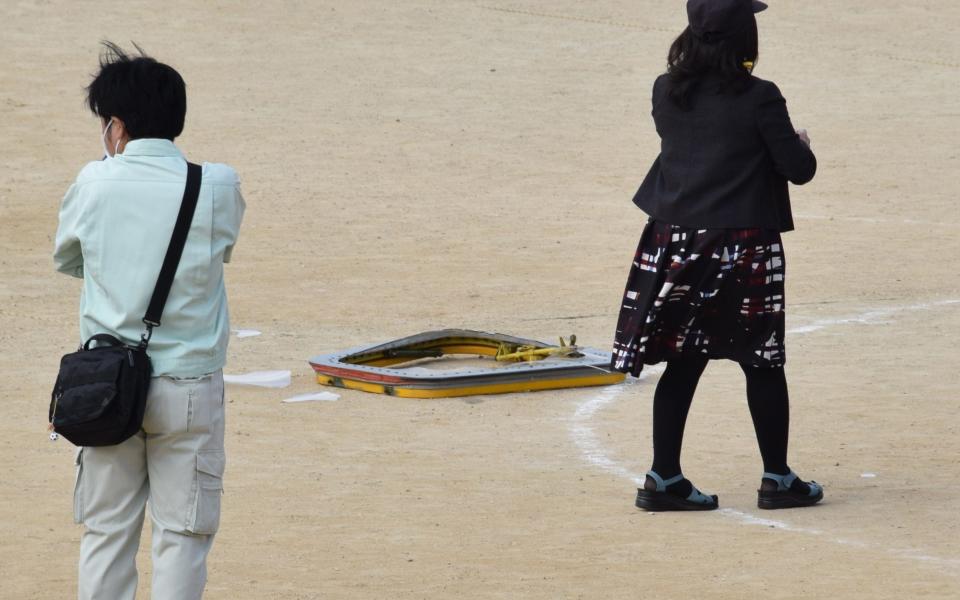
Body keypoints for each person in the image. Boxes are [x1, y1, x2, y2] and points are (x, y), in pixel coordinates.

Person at [610, 0, 823, 511]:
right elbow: (799, 169)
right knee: (762, 361)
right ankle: (777, 478)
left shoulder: (667, 90)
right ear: (744, 37)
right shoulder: (760, 97)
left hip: (676, 241)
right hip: (745, 245)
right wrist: (798, 143)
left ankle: (663, 478)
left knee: (683, 362)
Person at [54, 42, 245, 598]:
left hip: (106, 383)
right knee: (183, 532)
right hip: (189, 385)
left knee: (106, 530)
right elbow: (221, 252)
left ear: (115, 127)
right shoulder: (217, 184)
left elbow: (68, 259)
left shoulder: (93, 182)